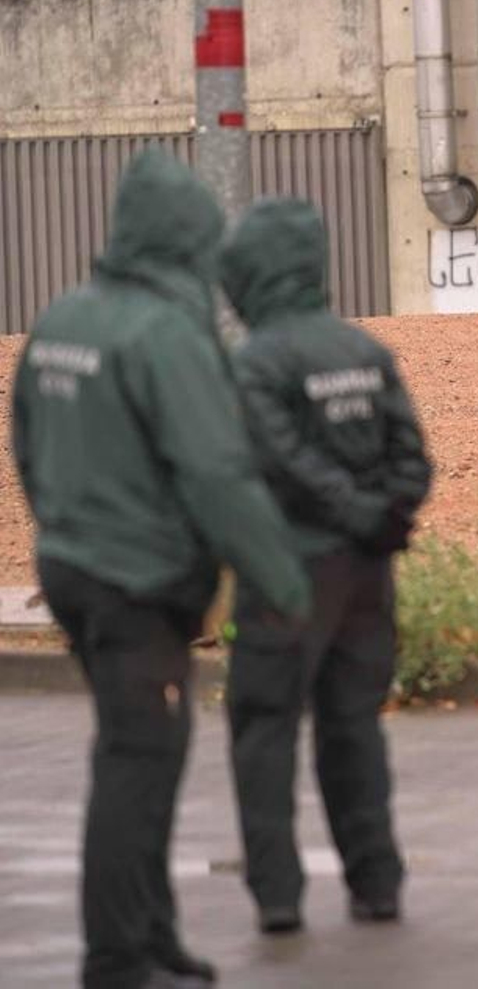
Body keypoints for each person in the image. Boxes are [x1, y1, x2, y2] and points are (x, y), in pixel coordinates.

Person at [9, 150, 313, 989]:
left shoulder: (63, 319)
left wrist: (64, 525)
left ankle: (155, 937)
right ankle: (117, 956)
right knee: (137, 760)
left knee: (146, 746)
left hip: (75, 568)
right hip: (137, 583)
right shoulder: (165, 335)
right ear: (186, 241)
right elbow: (218, 473)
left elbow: (26, 439)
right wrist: (285, 583)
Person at [219, 198, 433, 936]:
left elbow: (281, 457)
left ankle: (278, 894)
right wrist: (385, 516)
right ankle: (377, 883)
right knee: (354, 726)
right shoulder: (364, 353)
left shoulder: (255, 361)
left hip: (287, 572)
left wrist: (347, 508)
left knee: (265, 728)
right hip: (368, 573)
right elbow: (412, 455)